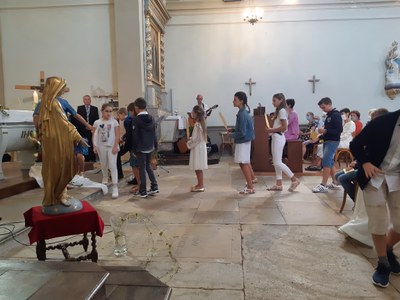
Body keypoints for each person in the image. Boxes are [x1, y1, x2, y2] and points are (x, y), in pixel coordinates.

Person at [350, 109, 400, 288]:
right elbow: (355, 144)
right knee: (378, 219)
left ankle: (387, 248)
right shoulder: (384, 122)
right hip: (375, 175)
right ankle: (383, 263)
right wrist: (365, 162)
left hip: (397, 177)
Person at [37, 77, 86, 207]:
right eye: (61, 87)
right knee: (63, 167)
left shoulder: (44, 103)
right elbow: (65, 123)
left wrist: (40, 135)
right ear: (55, 88)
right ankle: (56, 196)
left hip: (51, 139)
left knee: (52, 168)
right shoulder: (54, 103)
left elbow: (39, 122)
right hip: (57, 140)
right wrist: (78, 136)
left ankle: (57, 194)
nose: (63, 90)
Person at [265, 93, 300, 192]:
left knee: (277, 162)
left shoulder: (282, 111)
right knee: (276, 162)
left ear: (281, 100)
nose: (272, 102)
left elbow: (284, 127)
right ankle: (279, 184)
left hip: (278, 137)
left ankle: (294, 179)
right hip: (276, 137)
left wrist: (270, 130)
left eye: (274, 100)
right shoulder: (280, 110)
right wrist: (272, 130)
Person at [312, 97, 343, 193]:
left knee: (326, 161)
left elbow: (339, 130)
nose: (323, 109)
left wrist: (325, 130)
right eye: (321, 108)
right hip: (328, 140)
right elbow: (327, 131)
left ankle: (323, 184)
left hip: (333, 141)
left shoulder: (336, 115)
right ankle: (335, 182)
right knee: (330, 162)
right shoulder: (328, 115)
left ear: (329, 104)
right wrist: (320, 137)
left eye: (324, 107)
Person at [228, 91, 256, 194]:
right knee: (243, 162)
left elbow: (243, 132)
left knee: (243, 163)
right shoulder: (243, 112)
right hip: (245, 141)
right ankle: (251, 181)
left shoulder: (242, 114)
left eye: (235, 99)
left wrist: (231, 135)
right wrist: (234, 130)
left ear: (241, 101)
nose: (233, 101)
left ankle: (250, 187)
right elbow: (241, 129)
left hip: (243, 141)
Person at [131, 97, 159, 198]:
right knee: (147, 166)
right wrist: (155, 145)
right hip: (150, 146)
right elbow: (154, 133)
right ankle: (154, 186)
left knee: (142, 168)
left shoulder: (136, 120)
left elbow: (135, 136)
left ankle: (143, 191)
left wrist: (134, 149)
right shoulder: (151, 118)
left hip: (140, 147)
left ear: (136, 107)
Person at [93, 103, 120, 198]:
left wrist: (116, 146)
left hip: (112, 147)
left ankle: (115, 186)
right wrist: (95, 146)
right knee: (104, 164)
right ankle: (105, 177)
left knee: (113, 166)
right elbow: (95, 134)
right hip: (101, 147)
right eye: (107, 111)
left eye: (110, 111)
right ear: (102, 111)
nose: (109, 113)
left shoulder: (114, 122)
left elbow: (117, 135)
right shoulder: (97, 122)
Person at [187, 105, 208, 192]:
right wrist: (192, 138)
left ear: (196, 113)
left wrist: (189, 143)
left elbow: (198, 139)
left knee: (198, 167)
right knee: (197, 167)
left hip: (198, 148)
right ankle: (199, 184)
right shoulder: (199, 124)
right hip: (198, 147)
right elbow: (198, 137)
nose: (191, 113)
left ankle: (201, 185)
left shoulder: (198, 124)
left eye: (192, 112)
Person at [76, 95, 99, 162]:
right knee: (84, 143)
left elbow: (96, 119)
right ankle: (85, 158)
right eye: (85, 99)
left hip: (92, 129)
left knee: (92, 143)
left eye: (88, 99)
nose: (87, 100)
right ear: (83, 101)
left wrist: (91, 127)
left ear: (90, 100)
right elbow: (78, 119)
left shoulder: (95, 108)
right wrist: (85, 126)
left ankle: (92, 158)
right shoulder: (80, 108)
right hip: (83, 129)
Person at [126, 103, 141, 193]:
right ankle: (140, 185)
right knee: (139, 166)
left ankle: (140, 185)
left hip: (135, 147)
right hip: (142, 146)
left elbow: (131, 135)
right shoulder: (140, 119)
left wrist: (125, 148)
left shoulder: (132, 120)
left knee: (135, 166)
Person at [116, 107, 128, 180]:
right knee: (117, 156)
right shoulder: (118, 121)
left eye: (119, 115)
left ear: (122, 114)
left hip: (127, 142)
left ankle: (119, 174)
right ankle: (119, 174)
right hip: (121, 141)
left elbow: (128, 133)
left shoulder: (127, 121)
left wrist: (123, 139)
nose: (118, 117)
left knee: (117, 156)